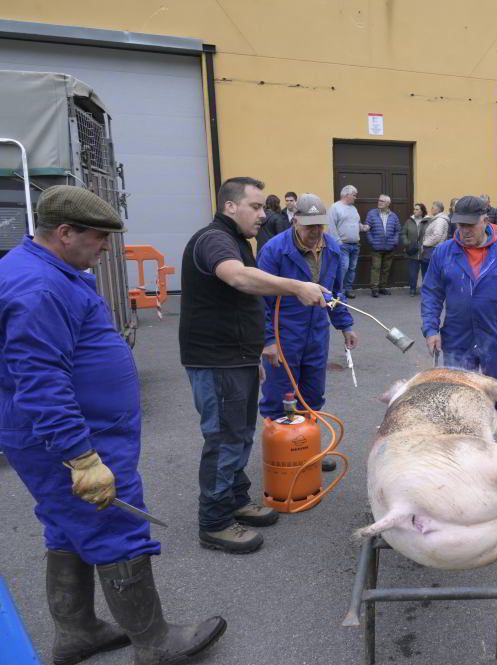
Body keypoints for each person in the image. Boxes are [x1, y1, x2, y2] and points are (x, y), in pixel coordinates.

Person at [0, 186, 226, 664]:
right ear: (64, 232)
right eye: (99, 237)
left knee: (67, 526)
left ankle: (79, 632)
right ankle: (155, 643)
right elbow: (39, 378)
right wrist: (81, 457)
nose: (105, 247)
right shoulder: (40, 286)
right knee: (115, 525)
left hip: (67, 433)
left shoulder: (48, 270)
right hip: (75, 439)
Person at [180, 177, 328, 553]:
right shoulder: (214, 240)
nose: (264, 214)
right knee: (224, 438)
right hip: (216, 361)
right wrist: (295, 286)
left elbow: (244, 302)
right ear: (231, 206)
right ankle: (214, 522)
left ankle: (235, 499)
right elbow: (239, 279)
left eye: (264, 207)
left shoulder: (237, 242)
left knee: (240, 433)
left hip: (237, 358)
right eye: (256, 206)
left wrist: (255, 351)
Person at [257, 194, 357, 473]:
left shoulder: (332, 249)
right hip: (283, 331)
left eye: (320, 226)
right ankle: (282, 459)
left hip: (316, 333)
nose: (315, 232)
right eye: (309, 226)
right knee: (280, 396)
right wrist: (268, 340)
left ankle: (309, 449)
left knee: (312, 395)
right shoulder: (275, 250)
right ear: (296, 219)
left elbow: (335, 294)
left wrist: (344, 325)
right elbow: (260, 299)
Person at [421, 196, 497, 449]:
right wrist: (430, 329)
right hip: (457, 337)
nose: (464, 231)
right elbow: (431, 294)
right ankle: (465, 446)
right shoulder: (443, 252)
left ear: (485, 220)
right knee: (459, 395)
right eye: (460, 225)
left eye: (470, 225)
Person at [364, 194, 400, 297]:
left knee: (386, 269)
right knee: (376, 268)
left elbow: (397, 230)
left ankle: (382, 287)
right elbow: (367, 230)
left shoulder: (393, 216)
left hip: (390, 247)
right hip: (376, 247)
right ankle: (374, 289)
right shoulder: (372, 214)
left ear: (388, 203)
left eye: (382, 201)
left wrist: (395, 241)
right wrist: (372, 241)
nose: (379, 202)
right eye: (379, 200)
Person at [328, 184, 361, 299]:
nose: (356, 197)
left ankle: (348, 289)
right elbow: (331, 227)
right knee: (343, 268)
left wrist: (363, 227)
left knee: (352, 268)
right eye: (354, 195)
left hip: (355, 244)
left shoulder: (354, 209)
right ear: (346, 195)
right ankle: (338, 291)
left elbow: (356, 224)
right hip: (343, 245)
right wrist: (338, 242)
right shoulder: (335, 207)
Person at [402, 203, 430, 296]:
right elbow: (403, 234)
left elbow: (431, 234)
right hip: (412, 251)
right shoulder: (409, 221)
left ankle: (425, 290)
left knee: (425, 272)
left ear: (422, 211)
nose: (415, 211)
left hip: (424, 251)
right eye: (414, 209)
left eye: (417, 209)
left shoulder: (428, 221)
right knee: (412, 272)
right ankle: (412, 289)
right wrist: (407, 243)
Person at [422, 201, 449, 274]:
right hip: (433, 249)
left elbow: (437, 236)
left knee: (429, 273)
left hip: (433, 249)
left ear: (438, 209)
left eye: (433, 207)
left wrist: (425, 243)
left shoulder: (439, 220)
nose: (431, 209)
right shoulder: (437, 219)